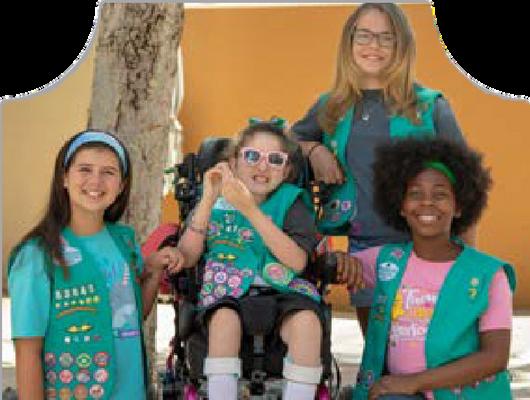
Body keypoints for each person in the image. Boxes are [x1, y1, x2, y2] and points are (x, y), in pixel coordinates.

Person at [291, 2, 470, 335]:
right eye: (365, 35)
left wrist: (467, 264)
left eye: (386, 38)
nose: (374, 45)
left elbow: (467, 187)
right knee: (378, 354)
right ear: (349, 41)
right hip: (364, 252)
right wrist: (314, 149)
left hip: (426, 247)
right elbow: (285, 142)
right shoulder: (332, 107)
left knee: (425, 351)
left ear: (402, 46)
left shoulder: (429, 106)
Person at [176, 120, 361, 400]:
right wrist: (207, 201)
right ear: (233, 163)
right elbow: (188, 257)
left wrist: (249, 210)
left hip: (284, 291)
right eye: (252, 156)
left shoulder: (291, 202)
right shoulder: (212, 201)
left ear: (286, 171)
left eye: (275, 160)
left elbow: (297, 263)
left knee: (308, 323)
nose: (262, 167)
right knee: (224, 321)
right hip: (225, 293)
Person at [7, 130, 184, 400]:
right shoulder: (36, 255)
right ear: (64, 177)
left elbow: (130, 315)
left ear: (122, 185)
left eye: (108, 172)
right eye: (85, 169)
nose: (96, 181)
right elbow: (27, 350)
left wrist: (153, 271)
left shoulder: (124, 242)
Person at [351, 138, 515, 399]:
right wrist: (339, 263)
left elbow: (495, 357)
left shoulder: (488, 274)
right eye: (415, 194)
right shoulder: (387, 260)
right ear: (401, 206)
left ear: (459, 206)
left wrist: (415, 382)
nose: (427, 202)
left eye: (440, 195)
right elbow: (336, 266)